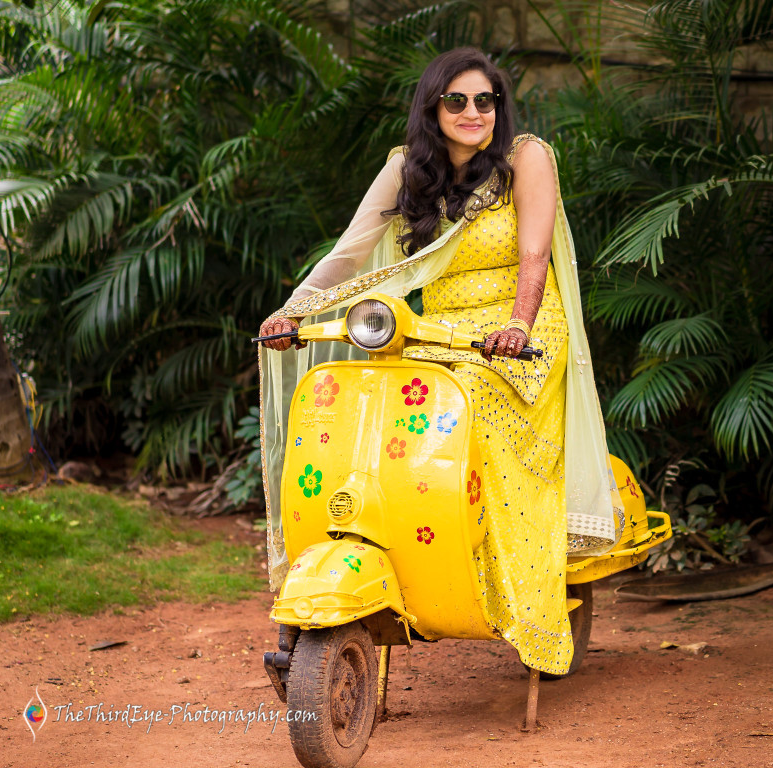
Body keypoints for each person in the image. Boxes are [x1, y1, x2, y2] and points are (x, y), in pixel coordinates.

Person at [258, 48, 620, 675]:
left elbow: (534, 255)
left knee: (471, 409)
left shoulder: (524, 158)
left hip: (521, 329)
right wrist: (291, 312)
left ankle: (516, 590)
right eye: (457, 100)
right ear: (432, 107)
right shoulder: (406, 169)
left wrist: (517, 324)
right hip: (440, 327)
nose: (473, 112)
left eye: (486, 100)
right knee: (377, 400)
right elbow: (350, 253)